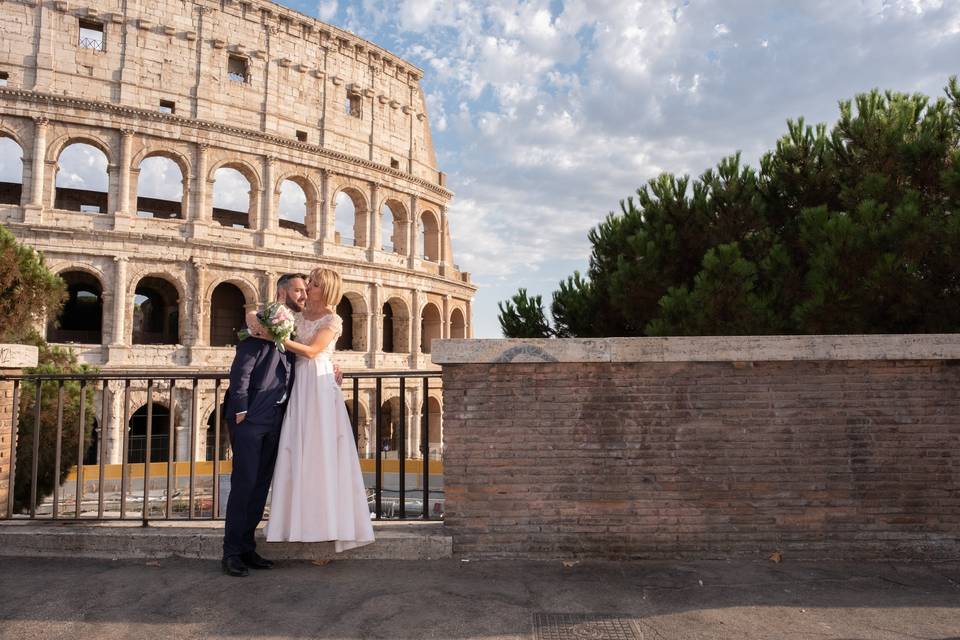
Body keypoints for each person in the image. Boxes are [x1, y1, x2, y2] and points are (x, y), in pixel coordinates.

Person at [258, 266, 375, 551]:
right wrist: (268, 325)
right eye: (310, 282)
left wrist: (278, 337)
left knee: (321, 449)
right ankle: (295, 522)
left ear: (327, 290)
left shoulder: (333, 319)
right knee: (297, 447)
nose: (308, 286)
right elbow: (257, 317)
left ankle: (328, 522)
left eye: (315, 284)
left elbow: (312, 351)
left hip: (320, 385)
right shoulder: (295, 316)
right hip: (299, 383)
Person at [221, 273, 305, 577]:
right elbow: (242, 367)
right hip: (251, 417)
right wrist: (240, 407)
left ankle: (247, 548)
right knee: (244, 484)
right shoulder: (262, 323)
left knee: (259, 486)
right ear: (282, 293)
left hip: (275, 417)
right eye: (298, 290)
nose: (304, 295)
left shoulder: (290, 327)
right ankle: (231, 552)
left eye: (305, 290)